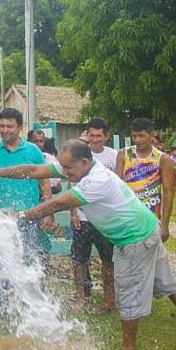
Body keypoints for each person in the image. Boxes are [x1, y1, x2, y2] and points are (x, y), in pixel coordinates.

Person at [0, 140, 176, 350]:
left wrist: (21, 216)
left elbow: (59, 203)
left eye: (67, 169)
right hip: (147, 228)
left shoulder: (97, 180)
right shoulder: (77, 166)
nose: (64, 173)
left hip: (134, 239)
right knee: (166, 281)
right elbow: (33, 169)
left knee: (127, 293)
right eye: (62, 168)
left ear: (85, 162)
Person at [0, 109, 54, 321]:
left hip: (29, 216)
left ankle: (32, 307)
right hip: (2, 217)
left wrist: (47, 211)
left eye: (10, 126)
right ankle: (1, 306)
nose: (5, 130)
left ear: (20, 127)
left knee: (30, 259)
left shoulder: (33, 150)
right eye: (2, 126)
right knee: (1, 261)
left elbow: (45, 181)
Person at [70, 117, 118, 313]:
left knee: (108, 261)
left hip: (105, 219)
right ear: (87, 135)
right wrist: (73, 212)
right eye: (91, 135)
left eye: (99, 136)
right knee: (79, 260)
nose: (95, 139)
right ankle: (81, 298)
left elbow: (118, 186)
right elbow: (71, 184)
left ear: (106, 136)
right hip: (82, 217)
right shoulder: (80, 155)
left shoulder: (114, 156)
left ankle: (108, 300)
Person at [115, 118, 175, 233]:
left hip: (152, 218)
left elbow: (168, 192)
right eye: (134, 136)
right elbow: (117, 187)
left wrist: (165, 225)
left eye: (141, 136)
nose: (137, 140)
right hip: (129, 218)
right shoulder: (124, 154)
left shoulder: (162, 158)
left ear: (151, 135)